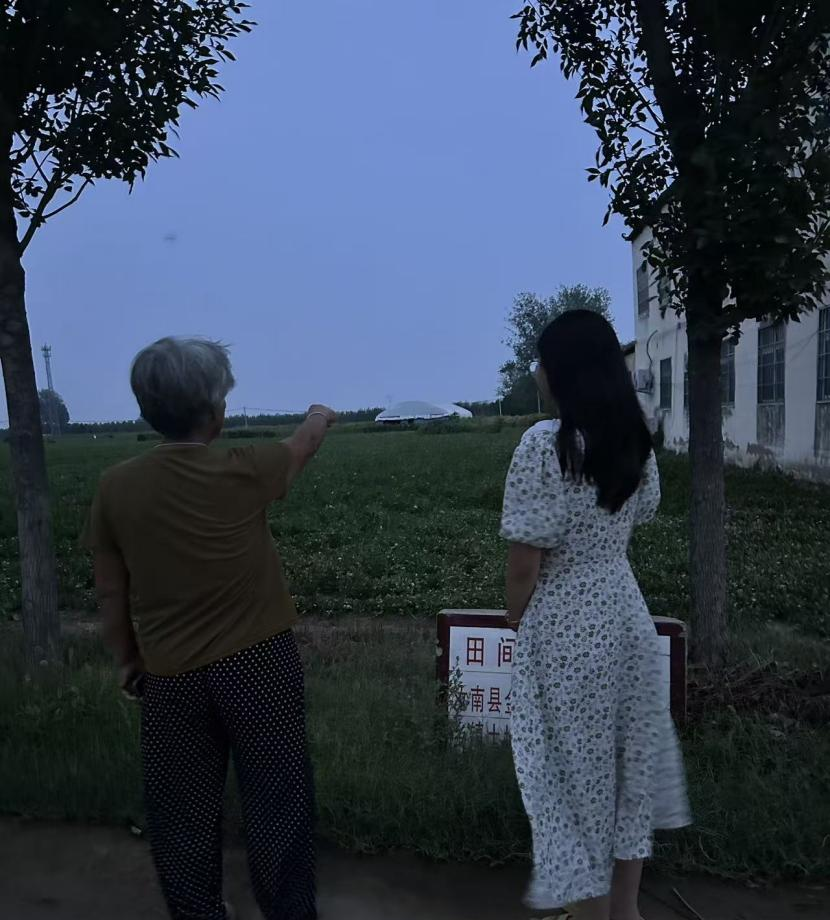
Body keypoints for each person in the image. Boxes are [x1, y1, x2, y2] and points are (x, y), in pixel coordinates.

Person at [83, 336, 335, 920]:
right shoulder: (245, 468)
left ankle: (198, 911)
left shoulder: (116, 486)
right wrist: (320, 414)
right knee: (278, 803)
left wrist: (127, 658)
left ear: (147, 411)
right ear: (216, 412)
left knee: (181, 814)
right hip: (261, 664)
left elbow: (111, 591)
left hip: (169, 675)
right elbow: (302, 446)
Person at [500, 311, 690, 920]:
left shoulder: (545, 445)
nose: (537, 371)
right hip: (625, 616)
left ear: (564, 371)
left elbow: (525, 562)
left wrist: (516, 619)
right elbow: (645, 511)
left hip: (564, 627)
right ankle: (624, 910)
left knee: (575, 782)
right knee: (628, 774)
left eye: (541, 360)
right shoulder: (634, 439)